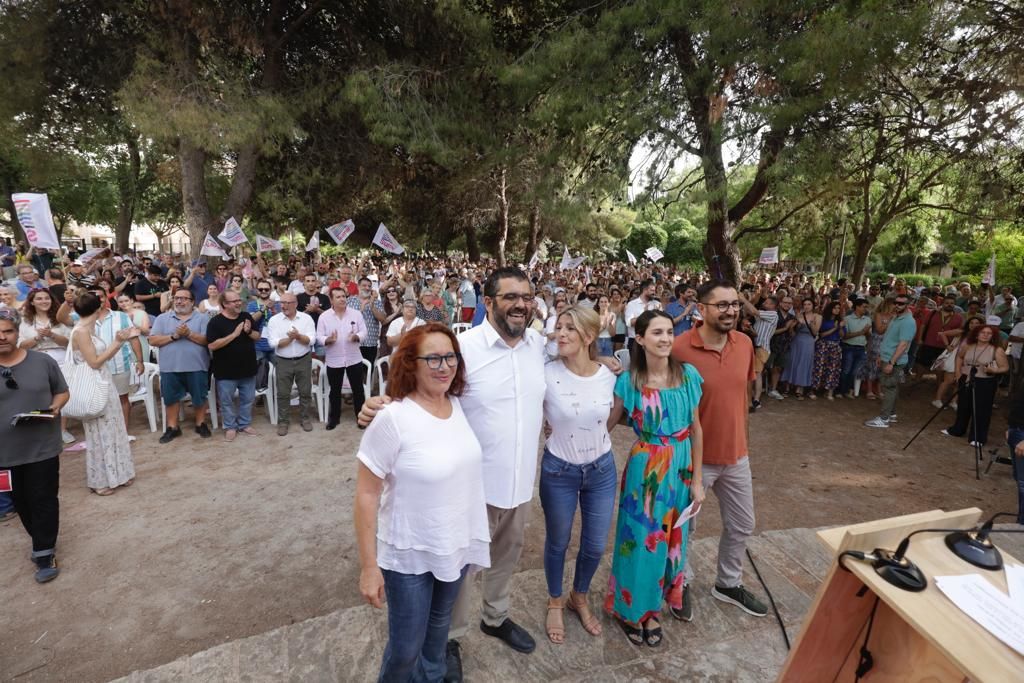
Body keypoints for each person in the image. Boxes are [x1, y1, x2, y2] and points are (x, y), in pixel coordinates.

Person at [361, 267, 548, 682]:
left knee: (506, 559)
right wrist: (379, 405)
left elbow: (576, 356)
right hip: (469, 491)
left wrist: (603, 358)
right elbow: (422, 391)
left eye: (527, 296)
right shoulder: (463, 349)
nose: (521, 304)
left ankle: (496, 618)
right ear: (488, 302)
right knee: (458, 575)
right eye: (510, 297)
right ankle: (450, 640)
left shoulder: (539, 345)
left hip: (519, 483)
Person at [354, 324, 490, 682]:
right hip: (409, 554)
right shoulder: (392, 419)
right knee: (405, 650)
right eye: (433, 358)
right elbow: (366, 495)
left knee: (437, 636)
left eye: (450, 357)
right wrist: (370, 568)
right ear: (410, 363)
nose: (444, 366)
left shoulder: (459, 405)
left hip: (454, 546)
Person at [602, 310, 703, 647]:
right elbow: (608, 422)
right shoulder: (629, 382)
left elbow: (697, 429)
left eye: (669, 332)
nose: (665, 339)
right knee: (641, 540)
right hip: (646, 470)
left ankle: (654, 609)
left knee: (674, 540)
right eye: (657, 332)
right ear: (640, 339)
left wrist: (698, 481)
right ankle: (630, 608)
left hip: (683, 465)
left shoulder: (688, 375)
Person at [672, 279, 768, 621]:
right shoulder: (679, 348)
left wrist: (740, 437)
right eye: (722, 305)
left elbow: (740, 394)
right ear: (701, 308)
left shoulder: (743, 343)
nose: (730, 311)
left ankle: (728, 583)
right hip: (691, 458)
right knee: (685, 528)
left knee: (743, 523)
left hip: (736, 456)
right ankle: (679, 582)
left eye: (735, 304)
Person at [540, 305, 617, 645]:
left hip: (601, 469)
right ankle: (555, 600)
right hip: (559, 470)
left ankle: (579, 597)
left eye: (570, 328)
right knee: (558, 542)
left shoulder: (609, 375)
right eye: (559, 327)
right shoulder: (545, 373)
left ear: (589, 336)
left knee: (596, 544)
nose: (561, 334)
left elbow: (615, 411)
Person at [0, 308, 70, 581]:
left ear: (17, 333)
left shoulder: (42, 361)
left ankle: (44, 551)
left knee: (43, 498)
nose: (2, 337)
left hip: (42, 445)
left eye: (7, 331)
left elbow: (62, 392)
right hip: (4, 451)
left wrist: (54, 408)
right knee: (20, 501)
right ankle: (40, 540)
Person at [69, 292, 137, 495]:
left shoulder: (87, 328)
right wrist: (117, 342)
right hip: (93, 384)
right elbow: (95, 362)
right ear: (98, 308)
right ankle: (100, 480)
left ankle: (119, 474)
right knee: (99, 432)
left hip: (105, 381)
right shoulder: (80, 330)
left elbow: (100, 359)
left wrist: (117, 343)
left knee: (113, 428)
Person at [150, 288, 213, 443]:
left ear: (192, 302)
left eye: (184, 298)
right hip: (169, 367)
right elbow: (152, 340)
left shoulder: (203, 318)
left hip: (197, 366)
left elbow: (208, 341)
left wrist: (189, 334)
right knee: (171, 399)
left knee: (200, 397)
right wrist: (174, 336)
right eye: (177, 298)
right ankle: (173, 427)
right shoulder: (162, 318)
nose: (179, 301)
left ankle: (200, 423)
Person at [206, 291, 261, 442]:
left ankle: (244, 424)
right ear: (224, 304)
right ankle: (230, 426)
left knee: (248, 399)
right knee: (226, 401)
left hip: (247, 367)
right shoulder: (215, 322)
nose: (238, 303)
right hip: (225, 371)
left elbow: (257, 337)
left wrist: (248, 331)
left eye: (239, 300)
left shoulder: (246, 317)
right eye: (234, 301)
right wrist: (234, 335)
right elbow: (212, 345)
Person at [941, 324, 1009, 446]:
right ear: (977, 334)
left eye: (989, 333)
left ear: (993, 336)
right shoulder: (968, 345)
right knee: (963, 406)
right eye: (983, 332)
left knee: (982, 409)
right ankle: (957, 430)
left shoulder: (996, 350)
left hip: (985, 382)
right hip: (966, 379)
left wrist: (994, 371)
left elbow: (1005, 367)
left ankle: (978, 437)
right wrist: (958, 372)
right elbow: (959, 357)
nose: (985, 335)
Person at [264, 292, 316, 436]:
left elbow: (311, 340)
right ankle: (283, 422)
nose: (284, 306)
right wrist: (291, 339)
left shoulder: (306, 319)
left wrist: (298, 336)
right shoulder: (274, 320)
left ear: (295, 304)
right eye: (282, 302)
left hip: (303, 359)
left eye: (287, 303)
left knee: (305, 392)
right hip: (283, 361)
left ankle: (305, 419)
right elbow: (272, 343)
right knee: (282, 393)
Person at [317, 288, 368, 429]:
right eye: (338, 297)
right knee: (335, 391)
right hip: (334, 360)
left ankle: (361, 417)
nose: (342, 299)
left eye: (343, 296)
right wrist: (328, 339)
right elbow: (319, 336)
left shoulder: (356, 314)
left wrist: (357, 336)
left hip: (354, 358)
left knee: (358, 390)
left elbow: (364, 331)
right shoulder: (324, 317)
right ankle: (334, 419)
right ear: (331, 300)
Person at [864, 294, 917, 429]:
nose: (897, 305)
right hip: (886, 357)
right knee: (891, 387)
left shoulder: (908, 322)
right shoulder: (896, 317)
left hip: (894, 360)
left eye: (901, 303)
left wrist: (891, 362)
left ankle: (884, 419)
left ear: (908, 305)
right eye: (896, 303)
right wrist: (881, 356)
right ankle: (891, 415)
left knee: (889, 388)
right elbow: (887, 338)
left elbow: (903, 344)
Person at [781, 297, 818, 400]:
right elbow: (792, 332)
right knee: (792, 361)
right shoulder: (797, 316)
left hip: (808, 342)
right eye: (805, 304)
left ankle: (799, 389)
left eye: (809, 304)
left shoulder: (817, 316)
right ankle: (787, 387)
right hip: (796, 340)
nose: (806, 306)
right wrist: (793, 326)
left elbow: (815, 333)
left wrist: (811, 324)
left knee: (804, 363)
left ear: (813, 306)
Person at [348, 277, 387, 365]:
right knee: (353, 371)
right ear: (358, 287)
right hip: (353, 342)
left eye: (369, 286)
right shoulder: (350, 301)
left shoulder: (376, 302)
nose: (367, 288)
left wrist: (372, 306)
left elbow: (383, 319)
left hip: (370, 342)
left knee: (368, 372)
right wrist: (362, 308)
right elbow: (347, 320)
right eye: (364, 285)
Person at [838, 299, 871, 398]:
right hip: (848, 347)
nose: (866, 309)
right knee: (846, 370)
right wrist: (861, 332)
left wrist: (867, 333)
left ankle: (849, 391)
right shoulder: (847, 319)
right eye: (864, 306)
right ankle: (840, 391)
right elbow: (845, 336)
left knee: (855, 372)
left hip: (861, 348)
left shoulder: (868, 319)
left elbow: (869, 337)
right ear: (857, 307)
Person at [811, 300, 843, 400]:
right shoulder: (824, 320)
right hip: (823, 344)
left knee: (833, 368)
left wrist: (841, 327)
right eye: (835, 308)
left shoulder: (839, 321)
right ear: (830, 309)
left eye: (838, 308)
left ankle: (829, 391)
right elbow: (821, 335)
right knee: (819, 367)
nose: (837, 310)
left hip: (835, 345)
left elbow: (843, 335)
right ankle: (813, 390)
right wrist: (835, 328)